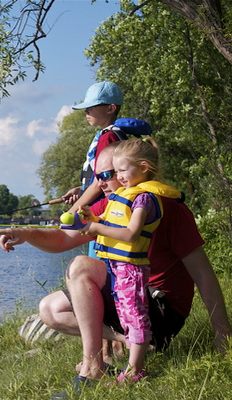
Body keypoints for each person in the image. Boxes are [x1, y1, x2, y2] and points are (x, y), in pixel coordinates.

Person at [0, 144, 231, 398]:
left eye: (107, 175)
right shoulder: (109, 205)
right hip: (128, 297)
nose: (99, 184)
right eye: (98, 176)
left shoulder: (166, 208)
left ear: (133, 170)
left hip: (162, 310)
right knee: (51, 309)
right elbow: (62, 239)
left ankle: (94, 368)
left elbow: (203, 275)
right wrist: (26, 233)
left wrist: (223, 337)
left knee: (81, 266)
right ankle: (135, 341)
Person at [78, 138, 181, 384]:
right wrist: (92, 216)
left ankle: (136, 370)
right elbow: (109, 220)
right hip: (118, 267)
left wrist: (95, 226)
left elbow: (131, 234)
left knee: (135, 316)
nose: (119, 176)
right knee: (126, 316)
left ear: (144, 167)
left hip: (131, 269)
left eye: (122, 170)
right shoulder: (124, 195)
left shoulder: (144, 199)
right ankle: (133, 366)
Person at [62, 81, 124, 208]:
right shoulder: (115, 133)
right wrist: (81, 190)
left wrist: (72, 212)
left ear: (110, 108)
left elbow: (100, 182)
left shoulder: (108, 138)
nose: (86, 112)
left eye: (91, 107)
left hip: (102, 207)